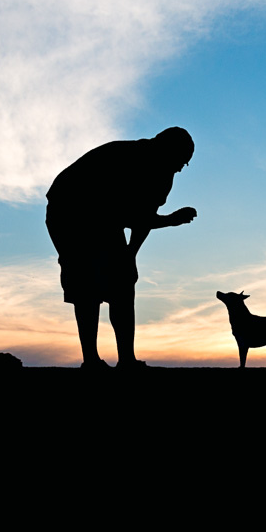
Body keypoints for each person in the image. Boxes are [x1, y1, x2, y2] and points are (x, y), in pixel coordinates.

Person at [46, 127, 197, 369]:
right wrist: (170, 220)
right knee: (87, 286)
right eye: (179, 160)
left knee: (123, 282)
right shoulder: (129, 158)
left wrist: (131, 254)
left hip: (105, 219)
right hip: (69, 211)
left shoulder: (164, 175)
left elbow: (143, 218)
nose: (180, 168)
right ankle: (91, 360)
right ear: (164, 149)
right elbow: (129, 216)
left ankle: (126, 359)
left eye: (184, 164)